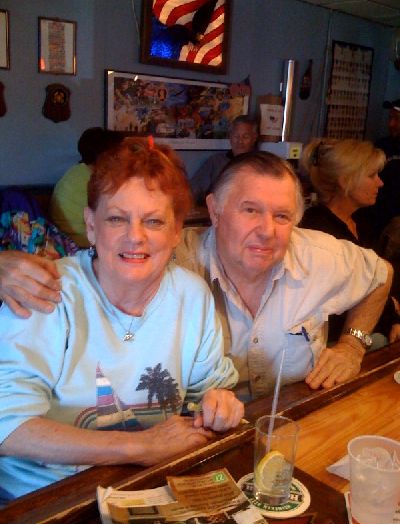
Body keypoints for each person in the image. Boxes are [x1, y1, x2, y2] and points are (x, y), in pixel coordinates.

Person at [0, 152, 393, 401]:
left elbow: (382, 275)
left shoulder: (320, 256)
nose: (267, 230)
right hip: (202, 434)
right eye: (250, 210)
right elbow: (95, 268)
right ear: (215, 211)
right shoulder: (169, 261)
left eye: (282, 216)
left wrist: (353, 344)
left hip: (294, 415)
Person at [0, 138, 243, 503]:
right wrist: (140, 447)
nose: (135, 237)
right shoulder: (46, 291)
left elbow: (208, 389)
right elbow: (7, 427)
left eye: (154, 221)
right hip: (43, 498)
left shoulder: (191, 295)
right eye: (117, 218)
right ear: (91, 225)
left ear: (176, 231)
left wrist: (219, 403)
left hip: (146, 484)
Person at [299, 138, 400, 345]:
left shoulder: (362, 221)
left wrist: (393, 317)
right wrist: (391, 311)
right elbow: (339, 305)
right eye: (371, 175)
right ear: (345, 181)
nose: (380, 183)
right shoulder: (316, 230)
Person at [49, 127, 124, 248]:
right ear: (105, 156)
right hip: (77, 242)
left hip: (65, 238)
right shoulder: (92, 179)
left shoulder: (78, 172)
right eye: (118, 154)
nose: (121, 160)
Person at [189, 115, 259, 206]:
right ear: (230, 137)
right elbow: (193, 189)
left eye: (245, 137)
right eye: (236, 136)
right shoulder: (216, 161)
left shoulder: (261, 165)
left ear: (254, 138)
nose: (240, 141)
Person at [368, 99, 400, 237]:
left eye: (397, 119)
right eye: (390, 118)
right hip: (376, 220)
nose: (391, 124)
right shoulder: (382, 146)